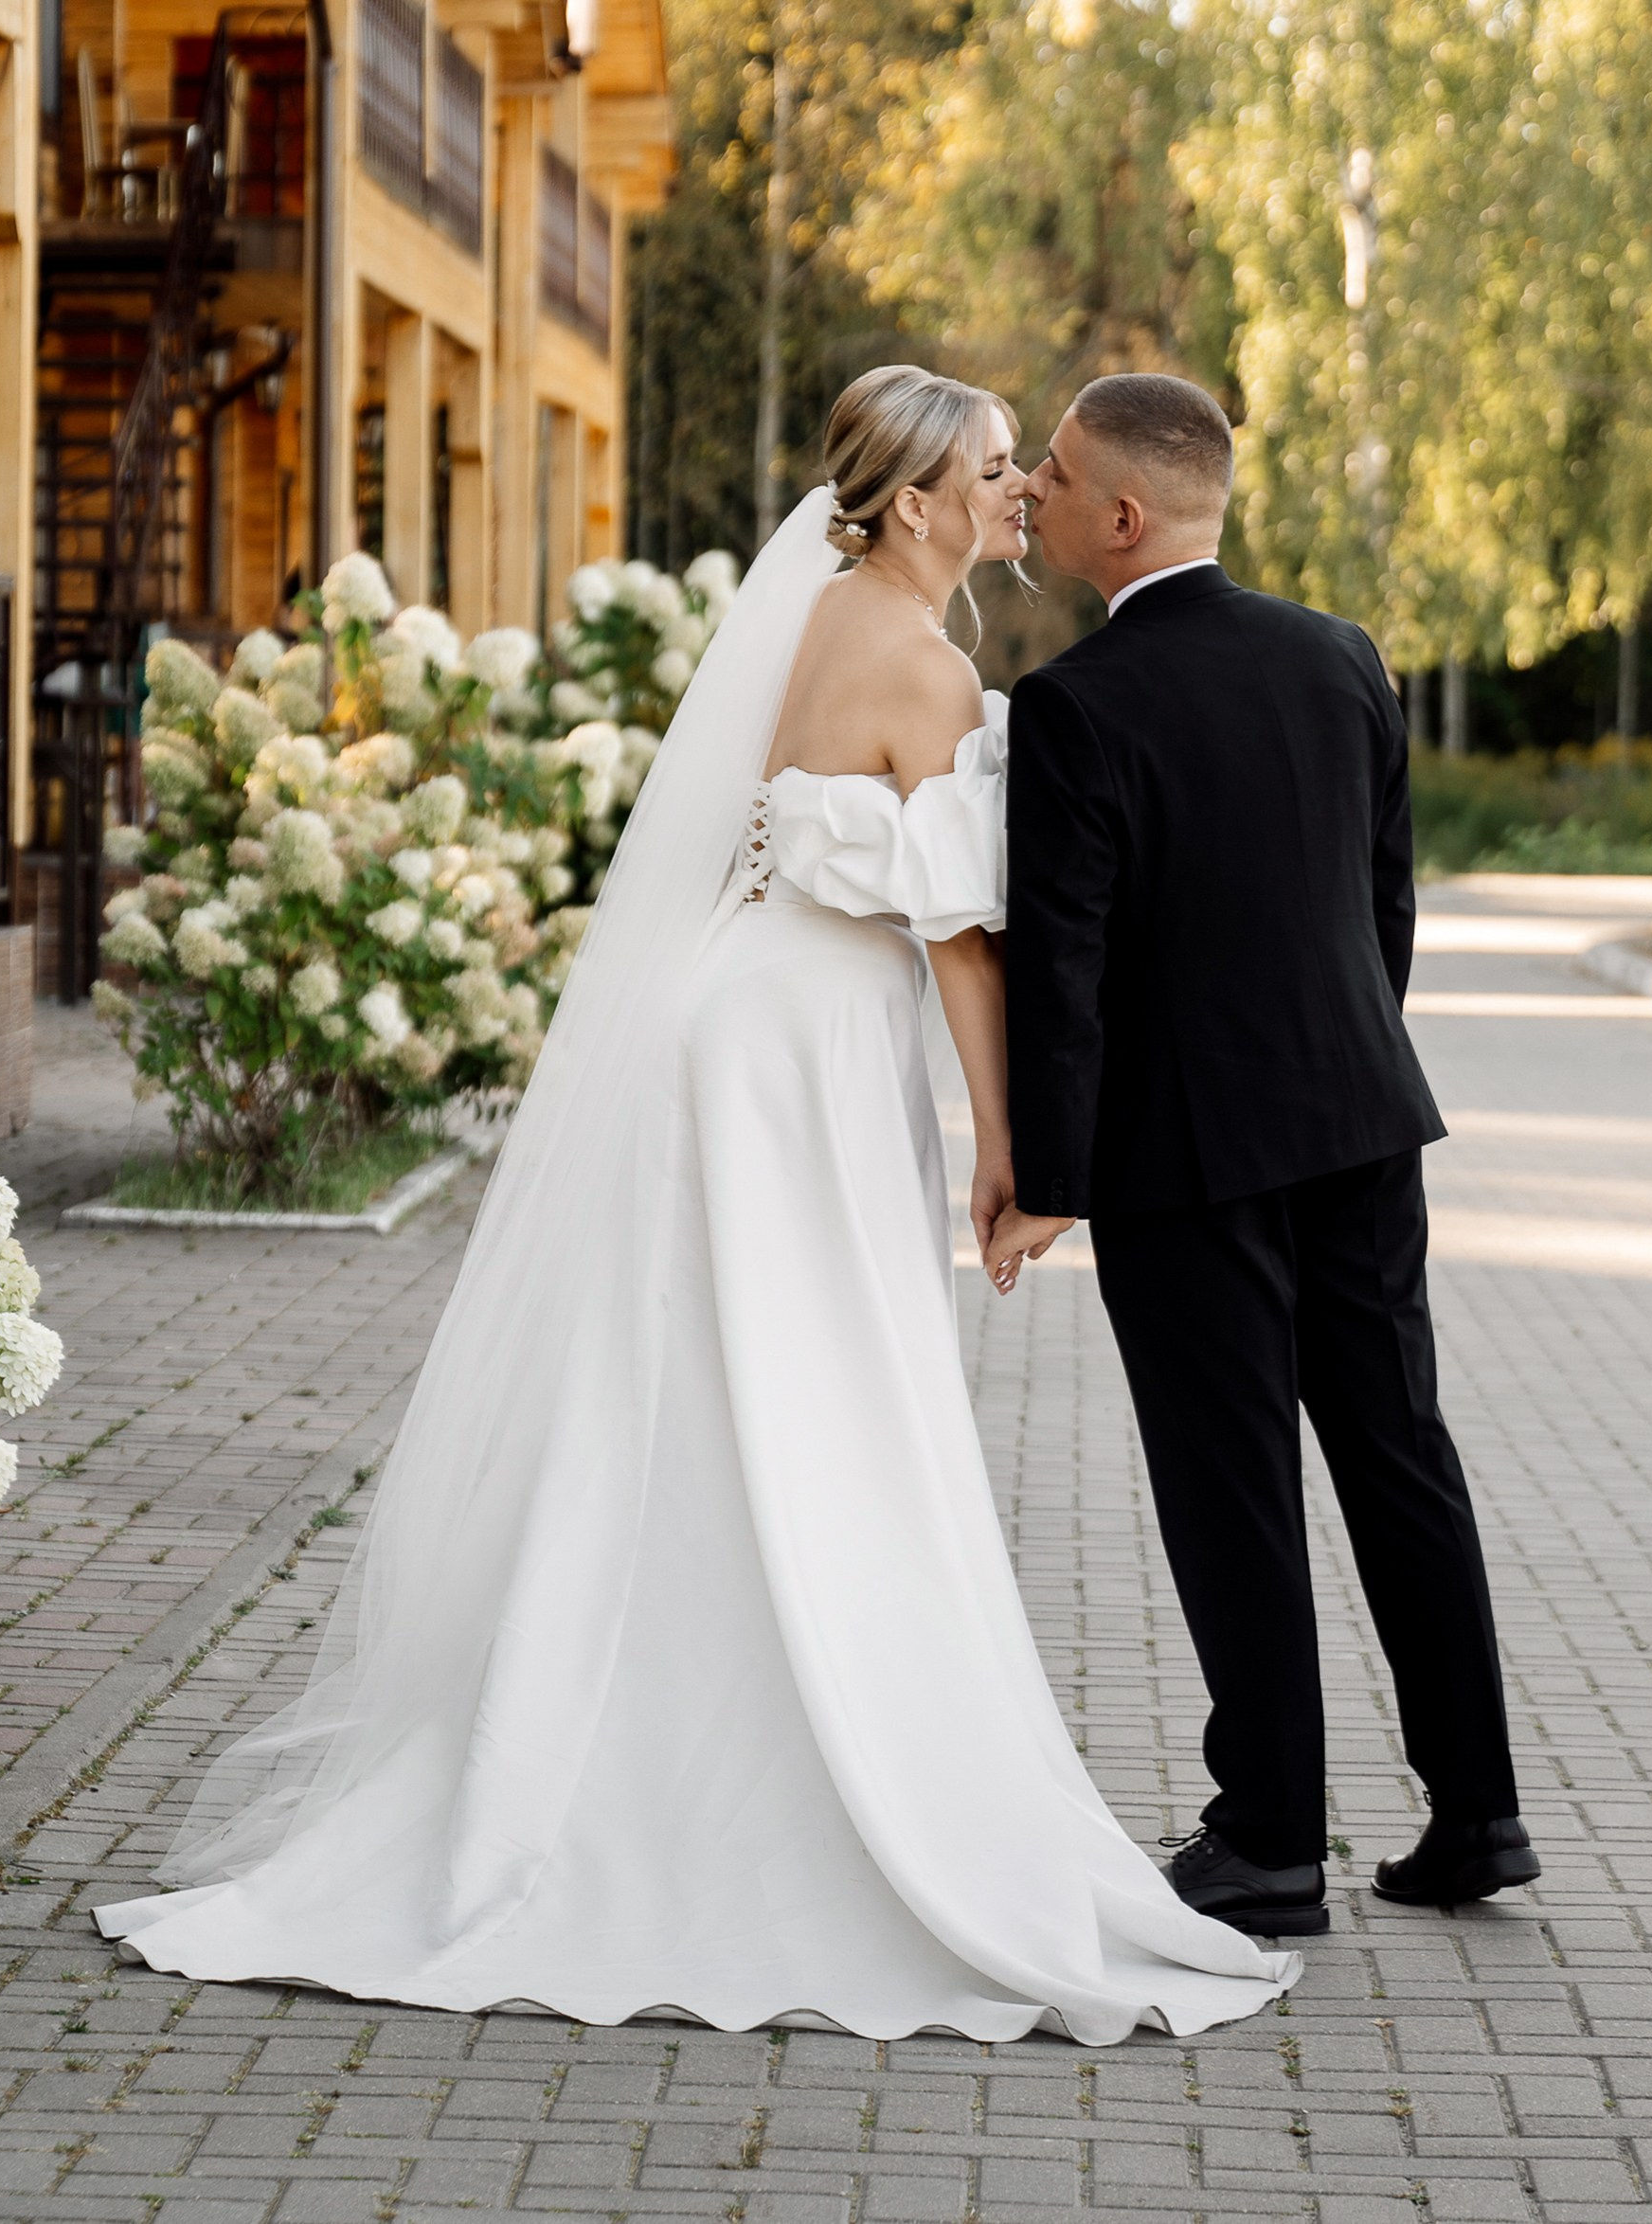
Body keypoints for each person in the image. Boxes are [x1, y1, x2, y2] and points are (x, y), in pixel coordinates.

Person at [94, 367, 1295, 2045]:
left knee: (689, 1378)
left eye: (1029, 469)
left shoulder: (817, 623)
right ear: (925, 497)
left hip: (734, 1020)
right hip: (800, 1051)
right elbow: (958, 935)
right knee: (821, 1382)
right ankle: (770, 1761)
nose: (1023, 492)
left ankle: (601, 1730)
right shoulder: (927, 663)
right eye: (1000, 468)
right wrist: (1008, 1148)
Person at [997, 373, 1538, 1942]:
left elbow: (1065, 969)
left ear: (1120, 516)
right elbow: (1385, 914)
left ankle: (1270, 1843)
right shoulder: (1339, 659)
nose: (1028, 489)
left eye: (1053, 470)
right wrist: (1344, 1072)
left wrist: (1047, 1174)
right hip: (1361, 1123)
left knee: (1232, 1488)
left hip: (1186, 1159)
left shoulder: (1078, 707)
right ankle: (1476, 1811)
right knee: (1398, 1456)